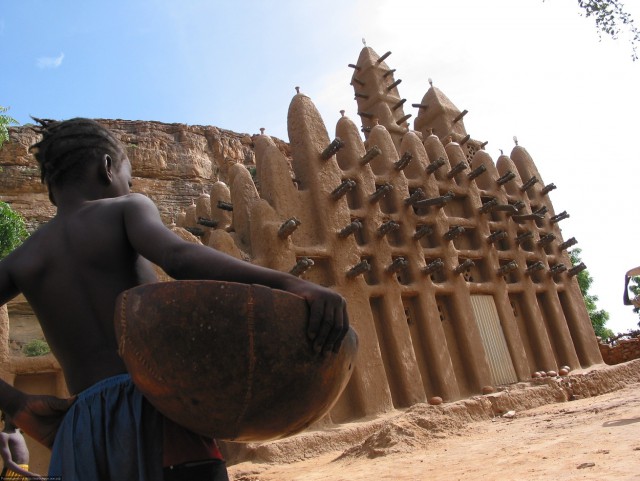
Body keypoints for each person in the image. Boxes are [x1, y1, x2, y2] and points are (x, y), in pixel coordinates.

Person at [0, 118, 349, 480]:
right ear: (106, 167)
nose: (130, 185)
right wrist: (291, 285)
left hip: (81, 434)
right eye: (128, 176)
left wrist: (15, 402)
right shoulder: (125, 208)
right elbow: (178, 257)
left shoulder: (23, 258)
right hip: (158, 410)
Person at [0, 412, 42, 480]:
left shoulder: (18, 431)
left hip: (23, 472)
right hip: (11, 474)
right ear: (8, 416)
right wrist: (31, 475)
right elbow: (8, 462)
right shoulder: (4, 436)